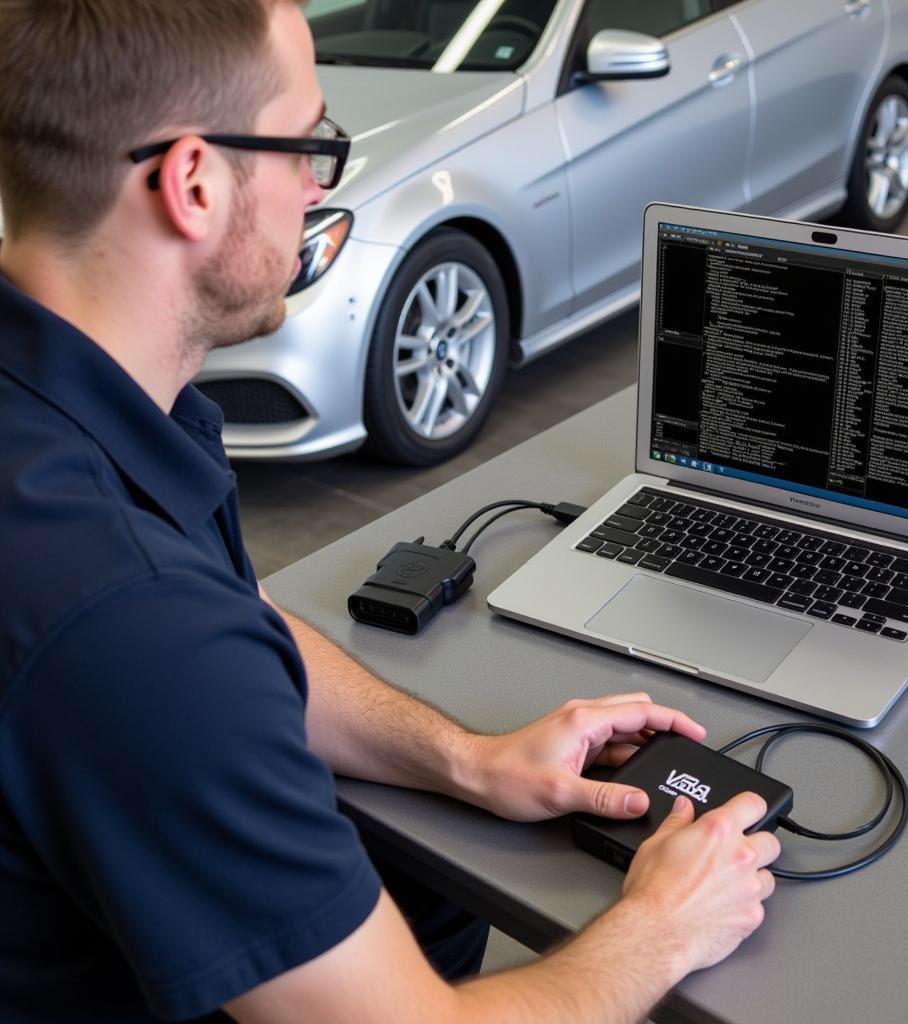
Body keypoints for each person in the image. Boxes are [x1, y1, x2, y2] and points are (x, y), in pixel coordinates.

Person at [0, 2, 780, 1022]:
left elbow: (243, 623)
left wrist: (468, 757)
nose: (319, 186)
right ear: (192, 182)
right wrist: (664, 926)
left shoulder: (84, 416)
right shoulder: (131, 619)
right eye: (308, 147)